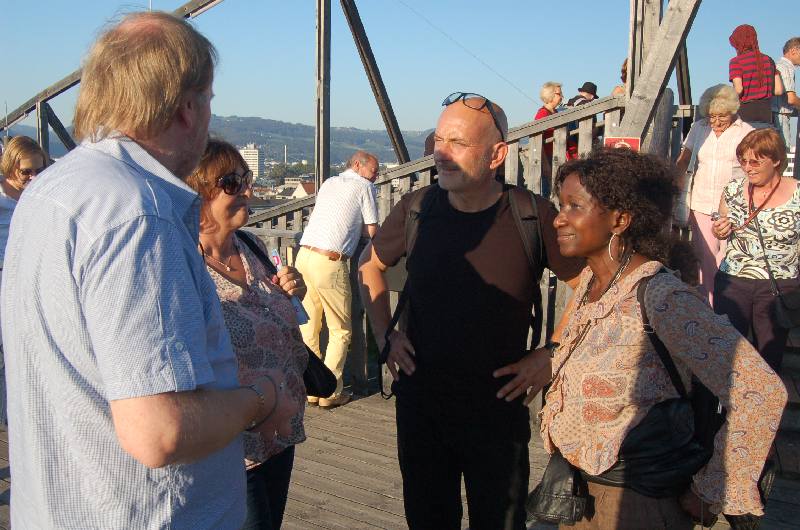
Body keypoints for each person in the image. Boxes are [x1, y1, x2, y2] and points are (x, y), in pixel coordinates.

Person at [0, 12, 297, 529]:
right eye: (208, 99)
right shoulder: (140, 215)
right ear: (186, 107)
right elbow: (159, 431)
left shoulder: (52, 188)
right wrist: (263, 397)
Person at [358, 93, 583, 529]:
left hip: (497, 409)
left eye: (458, 143)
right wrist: (385, 334)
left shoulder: (531, 214)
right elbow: (370, 265)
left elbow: (593, 284)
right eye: (439, 140)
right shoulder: (417, 208)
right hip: (422, 407)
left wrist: (552, 353)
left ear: (497, 155)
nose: (441, 153)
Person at [540, 147, 786, 529]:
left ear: (620, 220)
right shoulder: (593, 284)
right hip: (580, 498)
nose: (559, 219)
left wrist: (711, 490)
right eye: (560, 205)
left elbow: (759, 391)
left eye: (574, 206)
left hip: (639, 505)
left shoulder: (661, 297)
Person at [186, 139, 308, 530]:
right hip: (233, 448)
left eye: (247, 179)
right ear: (199, 192)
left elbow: (279, 317)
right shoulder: (186, 265)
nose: (248, 192)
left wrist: (294, 291)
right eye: (232, 183)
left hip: (280, 435)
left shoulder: (252, 246)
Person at [296, 150, 379, 408]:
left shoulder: (330, 182)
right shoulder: (364, 186)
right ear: (358, 165)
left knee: (309, 326)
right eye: (373, 171)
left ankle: (311, 388)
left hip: (304, 255)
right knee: (340, 329)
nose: (376, 177)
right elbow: (372, 230)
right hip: (330, 261)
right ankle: (330, 392)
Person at [712, 128, 800, 372]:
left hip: (778, 285)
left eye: (755, 162)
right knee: (728, 350)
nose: (747, 168)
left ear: (776, 160)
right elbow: (720, 224)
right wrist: (719, 231)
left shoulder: (797, 193)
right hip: (733, 280)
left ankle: (766, 395)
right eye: (743, 161)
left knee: (769, 356)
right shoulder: (732, 189)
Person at [674, 85, 754, 304]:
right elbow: (684, 159)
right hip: (701, 202)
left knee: (728, 257)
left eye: (722, 116)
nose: (716, 122)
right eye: (712, 116)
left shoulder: (746, 132)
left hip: (734, 206)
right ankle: (708, 305)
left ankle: (728, 303)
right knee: (705, 258)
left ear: (732, 111)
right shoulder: (699, 128)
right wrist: (673, 181)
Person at [0, 135, 47, 424]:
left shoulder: (41, 194)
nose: (33, 177)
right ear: (10, 167)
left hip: (25, 276)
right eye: (26, 172)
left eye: (39, 170)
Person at [729, 24, 784, 126]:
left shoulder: (736, 61)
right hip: (766, 113)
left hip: (745, 114)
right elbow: (778, 90)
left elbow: (738, 90)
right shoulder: (768, 60)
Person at [773, 37, 800, 151]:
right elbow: (791, 99)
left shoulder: (776, 65)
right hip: (781, 117)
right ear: (793, 50)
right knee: (783, 154)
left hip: (773, 115)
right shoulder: (787, 67)